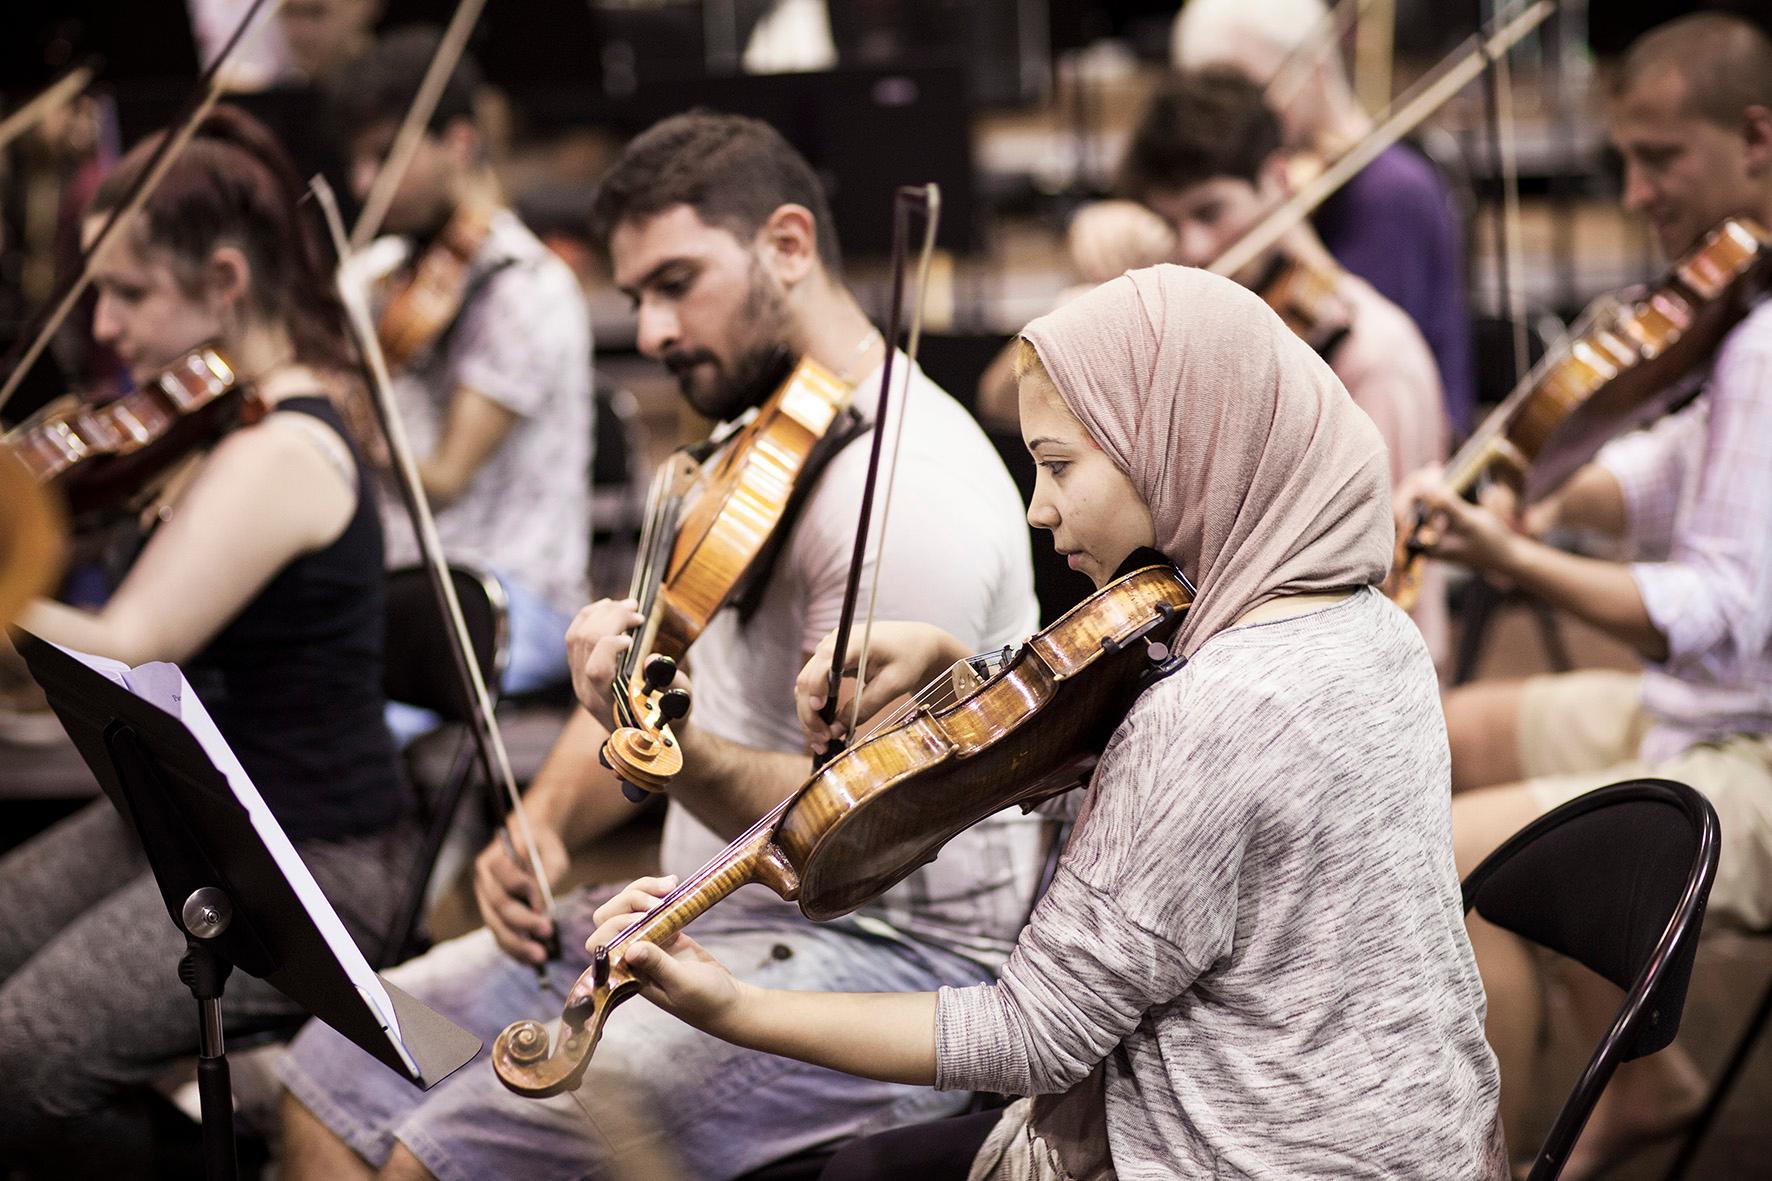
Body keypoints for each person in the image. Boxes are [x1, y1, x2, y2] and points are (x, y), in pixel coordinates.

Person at [587, 264, 1505, 1179]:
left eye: (1060, 464)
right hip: (1415, 1133)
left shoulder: (1214, 711)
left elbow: (1032, 1033)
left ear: (1181, 445)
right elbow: (1196, 843)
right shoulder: (1368, 626)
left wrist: (734, 1007)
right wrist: (963, 674)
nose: (1039, 506)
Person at [276, 111, 1047, 1181]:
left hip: (881, 953)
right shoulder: (741, 444)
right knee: (335, 1068)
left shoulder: (909, 490)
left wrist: (667, 753)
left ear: (786, 245)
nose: (647, 330)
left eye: (676, 283)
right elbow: (645, 695)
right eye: (637, 294)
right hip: (683, 914)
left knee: (440, 1152)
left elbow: (851, 838)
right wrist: (539, 824)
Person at [0, 106, 416, 1178]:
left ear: (226, 282)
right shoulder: (224, 424)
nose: (104, 328)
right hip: (188, 812)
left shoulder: (282, 447)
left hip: (305, 856)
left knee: (22, 1060)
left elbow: (120, 649)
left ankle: (257, 1146)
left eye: (130, 291)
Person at [1399, 13, 1772, 1177]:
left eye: (1658, 157)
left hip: (1751, 752)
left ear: (1757, 138)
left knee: (1431, 861)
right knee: (1423, 736)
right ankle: (1650, 1078)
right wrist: (1552, 508)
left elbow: (1726, 607)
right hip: (1700, 712)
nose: (1632, 190)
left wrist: (1512, 562)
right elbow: (1676, 464)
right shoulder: (1742, 319)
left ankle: (1478, 1162)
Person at [1115, 67, 1451, 666]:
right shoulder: (1212, 336)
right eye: (1170, 224)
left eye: (1211, 212)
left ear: (1277, 178)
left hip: (1361, 685)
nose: (1192, 248)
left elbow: (1383, 587)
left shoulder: (1372, 356)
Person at [329, 27, 592, 715]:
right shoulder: (375, 274)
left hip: (504, 598)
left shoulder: (527, 287)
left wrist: (355, 424)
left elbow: (443, 481)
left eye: (386, 155)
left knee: (331, 713)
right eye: (356, 160)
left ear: (461, 143)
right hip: (403, 595)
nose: (364, 183)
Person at [1072, 0, 1474, 431]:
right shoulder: (1257, 184)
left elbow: (1353, 364)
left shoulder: (1389, 192)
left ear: (1316, 68)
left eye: (1247, 87)